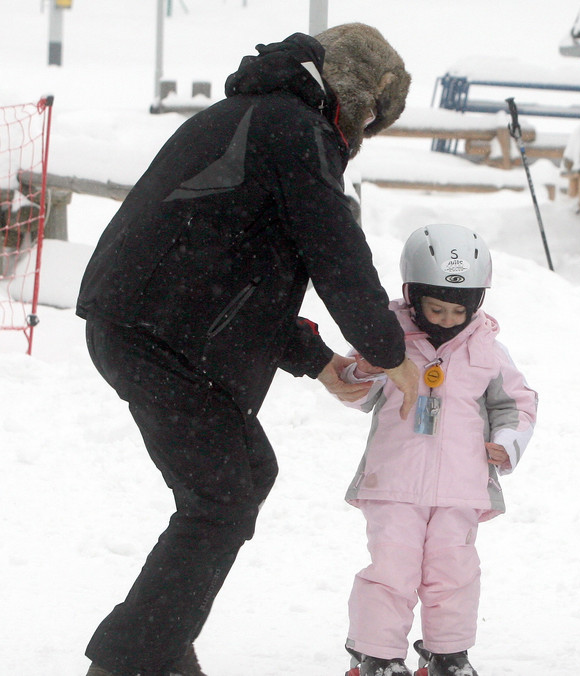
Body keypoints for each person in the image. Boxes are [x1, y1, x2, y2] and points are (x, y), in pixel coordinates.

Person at [76, 24, 422, 676]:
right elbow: (336, 253)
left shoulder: (262, 120)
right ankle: (129, 663)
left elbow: (244, 271)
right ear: (352, 90)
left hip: (161, 326)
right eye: (371, 118)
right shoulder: (296, 131)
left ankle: (163, 642)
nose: (363, 138)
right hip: (154, 334)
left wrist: (317, 361)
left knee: (242, 477)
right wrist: (387, 348)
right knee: (222, 498)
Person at [337, 223, 538, 676]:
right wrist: (366, 370)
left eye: (458, 311)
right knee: (393, 567)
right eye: (437, 309)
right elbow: (354, 389)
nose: (448, 319)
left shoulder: (488, 349)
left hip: (462, 487)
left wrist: (507, 443)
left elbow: (518, 404)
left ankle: (447, 654)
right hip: (394, 483)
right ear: (412, 296)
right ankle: (378, 654)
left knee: (454, 571)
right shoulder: (386, 337)